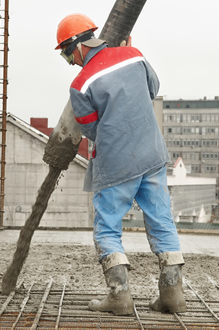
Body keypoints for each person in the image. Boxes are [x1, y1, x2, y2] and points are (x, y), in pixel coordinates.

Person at [55, 13, 187, 315]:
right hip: (152, 154)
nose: (70, 61)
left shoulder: (80, 84)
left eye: (66, 54)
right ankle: (172, 294)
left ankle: (119, 297)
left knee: (107, 228)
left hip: (115, 164)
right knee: (161, 221)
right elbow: (151, 90)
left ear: (77, 47)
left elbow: (89, 128)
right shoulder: (135, 56)